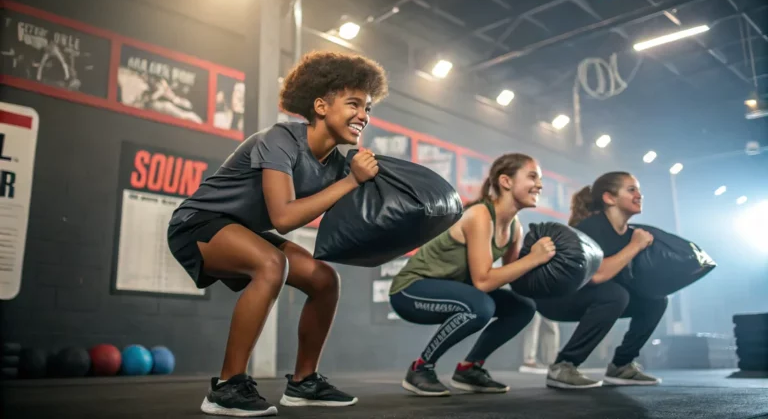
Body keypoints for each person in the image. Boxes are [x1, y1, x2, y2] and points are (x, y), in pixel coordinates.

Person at [166, 51, 389, 416]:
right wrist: (351, 181)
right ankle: (227, 387)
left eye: (368, 108)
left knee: (324, 279)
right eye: (354, 104)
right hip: (196, 223)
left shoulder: (336, 164)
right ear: (320, 106)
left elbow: (358, 218)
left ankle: (304, 382)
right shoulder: (280, 139)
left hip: (241, 229)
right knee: (272, 264)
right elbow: (283, 217)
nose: (364, 116)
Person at [388, 153, 557, 396]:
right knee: (481, 305)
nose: (539, 185)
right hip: (410, 291)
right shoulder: (480, 215)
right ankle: (420, 369)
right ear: (506, 182)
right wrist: (533, 259)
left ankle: (469, 369)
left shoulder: (514, 227)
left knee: (523, 307)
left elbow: (513, 278)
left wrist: (550, 275)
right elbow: (483, 281)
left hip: (457, 293)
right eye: (532, 177)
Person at [535, 172, 667, 389]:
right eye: (631, 189)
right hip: (555, 299)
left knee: (656, 299)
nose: (639, 195)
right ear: (609, 198)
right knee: (615, 294)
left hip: (590, 295)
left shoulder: (630, 234)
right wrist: (635, 246)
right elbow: (597, 276)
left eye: (639, 190)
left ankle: (621, 366)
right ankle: (564, 365)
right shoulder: (592, 227)